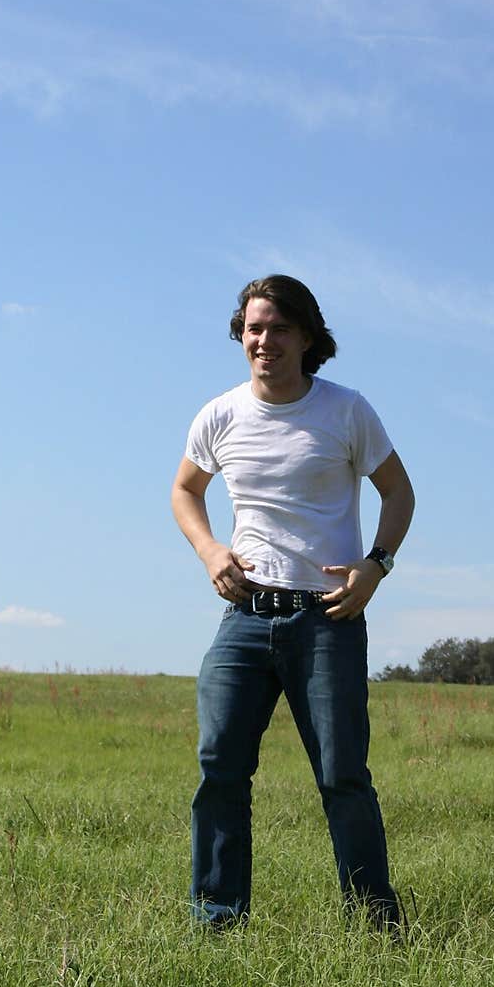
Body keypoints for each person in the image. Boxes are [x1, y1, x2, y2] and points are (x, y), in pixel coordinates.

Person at [170, 274, 415, 932]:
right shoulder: (219, 415)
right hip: (246, 617)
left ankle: (374, 929)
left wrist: (376, 566)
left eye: (278, 328)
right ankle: (219, 925)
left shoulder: (346, 410)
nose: (264, 340)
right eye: (253, 328)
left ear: (308, 337)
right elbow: (184, 492)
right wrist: (211, 552)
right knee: (219, 765)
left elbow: (399, 493)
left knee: (341, 775)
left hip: (327, 619)